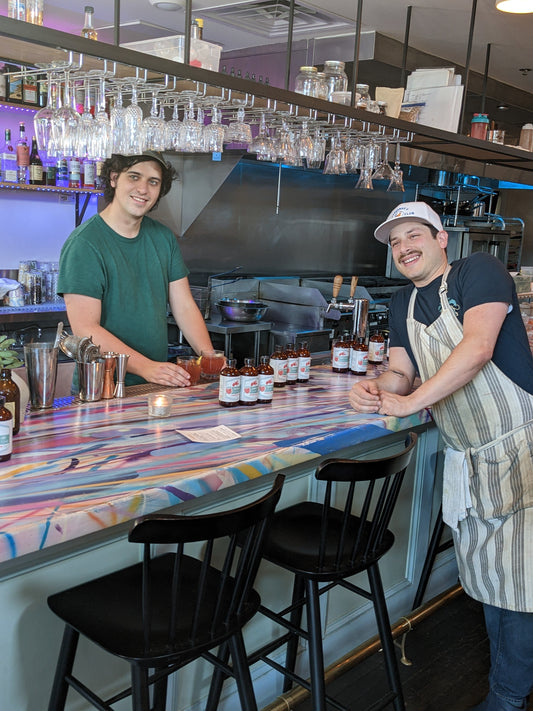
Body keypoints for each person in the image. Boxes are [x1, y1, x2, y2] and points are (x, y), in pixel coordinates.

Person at [349, 202, 533, 711]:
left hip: (521, 447)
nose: (404, 247)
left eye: (414, 236)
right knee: (498, 584)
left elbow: (476, 348)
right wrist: (376, 389)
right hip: (473, 457)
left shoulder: (480, 272)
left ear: (440, 239)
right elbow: (400, 372)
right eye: (395, 242)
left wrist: (409, 402)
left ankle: (507, 699)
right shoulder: (403, 304)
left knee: (520, 588)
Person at [58, 151, 215, 388]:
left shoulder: (163, 238)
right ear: (113, 178)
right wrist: (147, 368)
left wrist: (210, 358)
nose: (143, 189)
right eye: (134, 177)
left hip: (155, 385)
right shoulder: (85, 243)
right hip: (102, 387)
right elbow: (86, 329)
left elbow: (183, 306)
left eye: (153, 182)